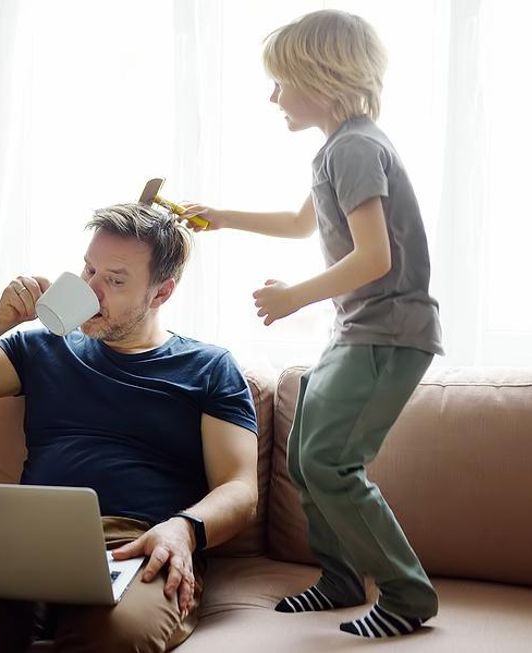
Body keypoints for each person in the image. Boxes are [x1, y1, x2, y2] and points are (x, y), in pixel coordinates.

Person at [181, 10, 442, 638]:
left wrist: (296, 296)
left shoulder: (355, 146)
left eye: (280, 82)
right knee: (305, 458)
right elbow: (304, 225)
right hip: (360, 330)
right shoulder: (340, 146)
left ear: (320, 77)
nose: (272, 97)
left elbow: (375, 256)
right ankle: (342, 578)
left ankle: (408, 595)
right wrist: (222, 216)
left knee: (329, 462)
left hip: (388, 332)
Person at [0, 203, 259, 652]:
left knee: (116, 634)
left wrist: (184, 528)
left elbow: (240, 488)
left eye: (114, 280)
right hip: (30, 537)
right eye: (88, 270)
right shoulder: (43, 347)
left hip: (138, 543)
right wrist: (2, 319)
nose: (92, 291)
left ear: (161, 292)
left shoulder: (208, 367)